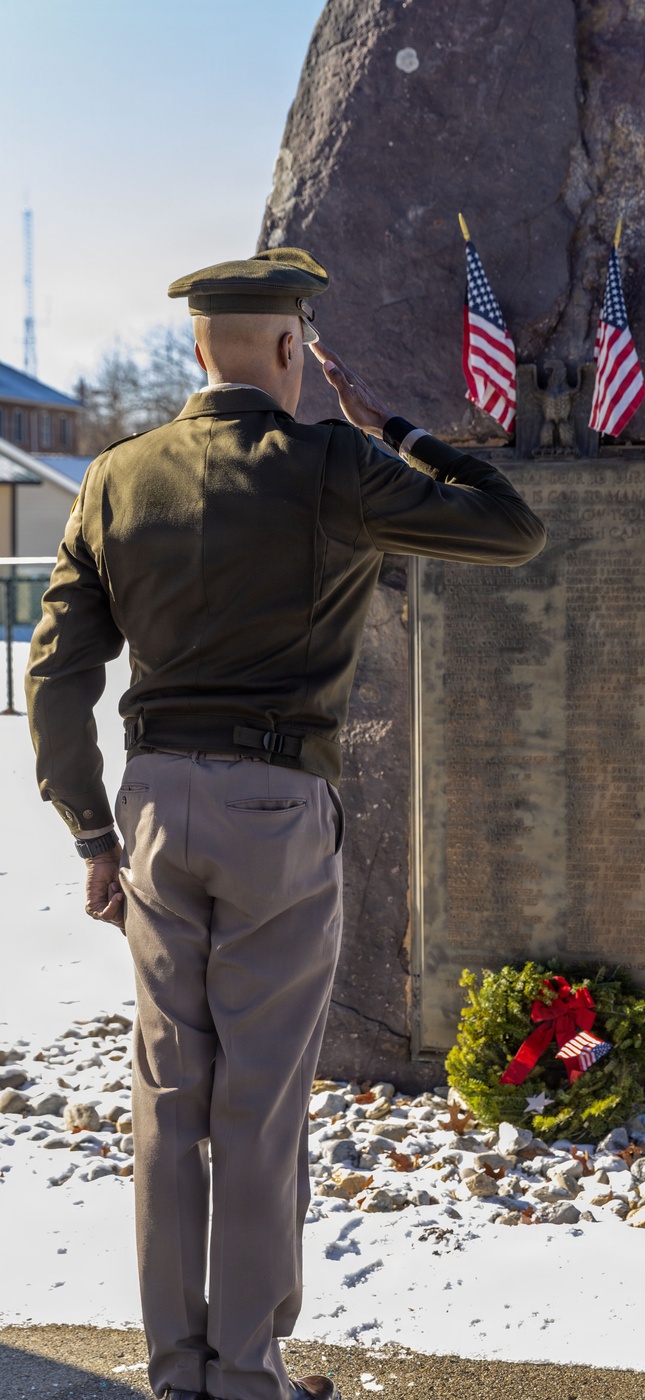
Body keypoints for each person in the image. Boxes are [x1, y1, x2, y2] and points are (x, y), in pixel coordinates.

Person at [24, 247, 546, 1400]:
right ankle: (245, 1374)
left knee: (169, 1095)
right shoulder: (332, 465)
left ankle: (174, 1371)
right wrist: (401, 428)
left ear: (196, 348)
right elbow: (509, 527)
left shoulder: (117, 475)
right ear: (287, 349)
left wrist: (90, 833)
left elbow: (55, 668)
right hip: (275, 805)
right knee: (259, 1099)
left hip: (155, 808)